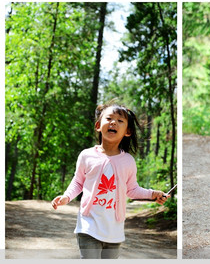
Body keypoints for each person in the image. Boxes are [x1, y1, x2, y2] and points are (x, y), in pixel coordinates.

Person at [52, 104, 170, 258]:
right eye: (109, 118)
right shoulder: (86, 156)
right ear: (98, 126)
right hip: (88, 225)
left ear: (127, 131)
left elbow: (132, 189)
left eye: (120, 121)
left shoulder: (128, 161)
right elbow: (78, 182)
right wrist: (66, 196)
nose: (113, 122)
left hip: (114, 229)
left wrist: (153, 194)